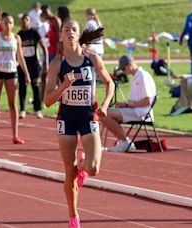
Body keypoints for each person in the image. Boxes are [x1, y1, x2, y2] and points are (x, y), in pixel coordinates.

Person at [44, 19, 114, 227]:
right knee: (69, 172)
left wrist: (105, 105)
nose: (71, 32)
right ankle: (73, 217)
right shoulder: (57, 64)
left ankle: (83, 167)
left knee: (93, 169)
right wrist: (63, 86)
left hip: (87, 116)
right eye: (67, 29)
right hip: (66, 118)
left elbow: (110, 83)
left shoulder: (92, 59)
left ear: (79, 34)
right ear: (61, 35)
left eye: (74, 29)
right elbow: (47, 100)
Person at [0, 13, 31, 145]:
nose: (8, 25)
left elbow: (20, 57)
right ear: (1, 24)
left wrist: (26, 74)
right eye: (5, 23)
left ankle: (15, 135)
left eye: (10, 23)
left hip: (11, 72)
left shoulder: (17, 38)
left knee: (12, 104)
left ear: (13, 25)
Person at [100, 56, 156, 152]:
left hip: (141, 113)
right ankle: (124, 142)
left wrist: (127, 105)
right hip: (136, 110)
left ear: (130, 64)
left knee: (105, 114)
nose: (123, 71)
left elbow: (148, 101)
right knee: (104, 113)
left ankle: (125, 142)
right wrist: (125, 104)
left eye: (123, 68)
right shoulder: (135, 77)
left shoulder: (143, 76)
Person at [18, 14, 49, 119]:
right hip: (23, 65)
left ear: (30, 21)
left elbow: (44, 48)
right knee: (22, 87)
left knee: (36, 87)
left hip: (34, 65)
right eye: (23, 20)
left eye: (26, 20)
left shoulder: (34, 33)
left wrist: (46, 63)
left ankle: (38, 110)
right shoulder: (19, 35)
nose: (24, 22)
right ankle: (22, 110)